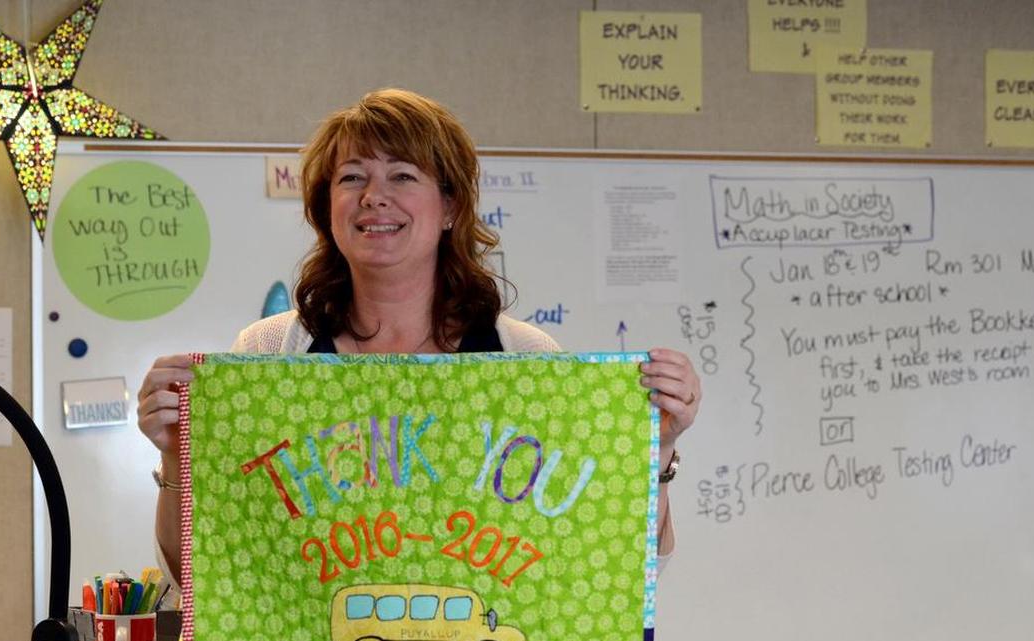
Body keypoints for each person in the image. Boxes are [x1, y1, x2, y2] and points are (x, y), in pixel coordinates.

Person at [138, 88, 701, 596]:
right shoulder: (268, 352)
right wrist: (174, 454)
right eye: (352, 177)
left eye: (403, 175)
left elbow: (608, 568)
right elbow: (201, 577)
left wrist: (658, 451)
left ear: (451, 207)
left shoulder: (527, 359)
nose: (374, 197)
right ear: (324, 207)